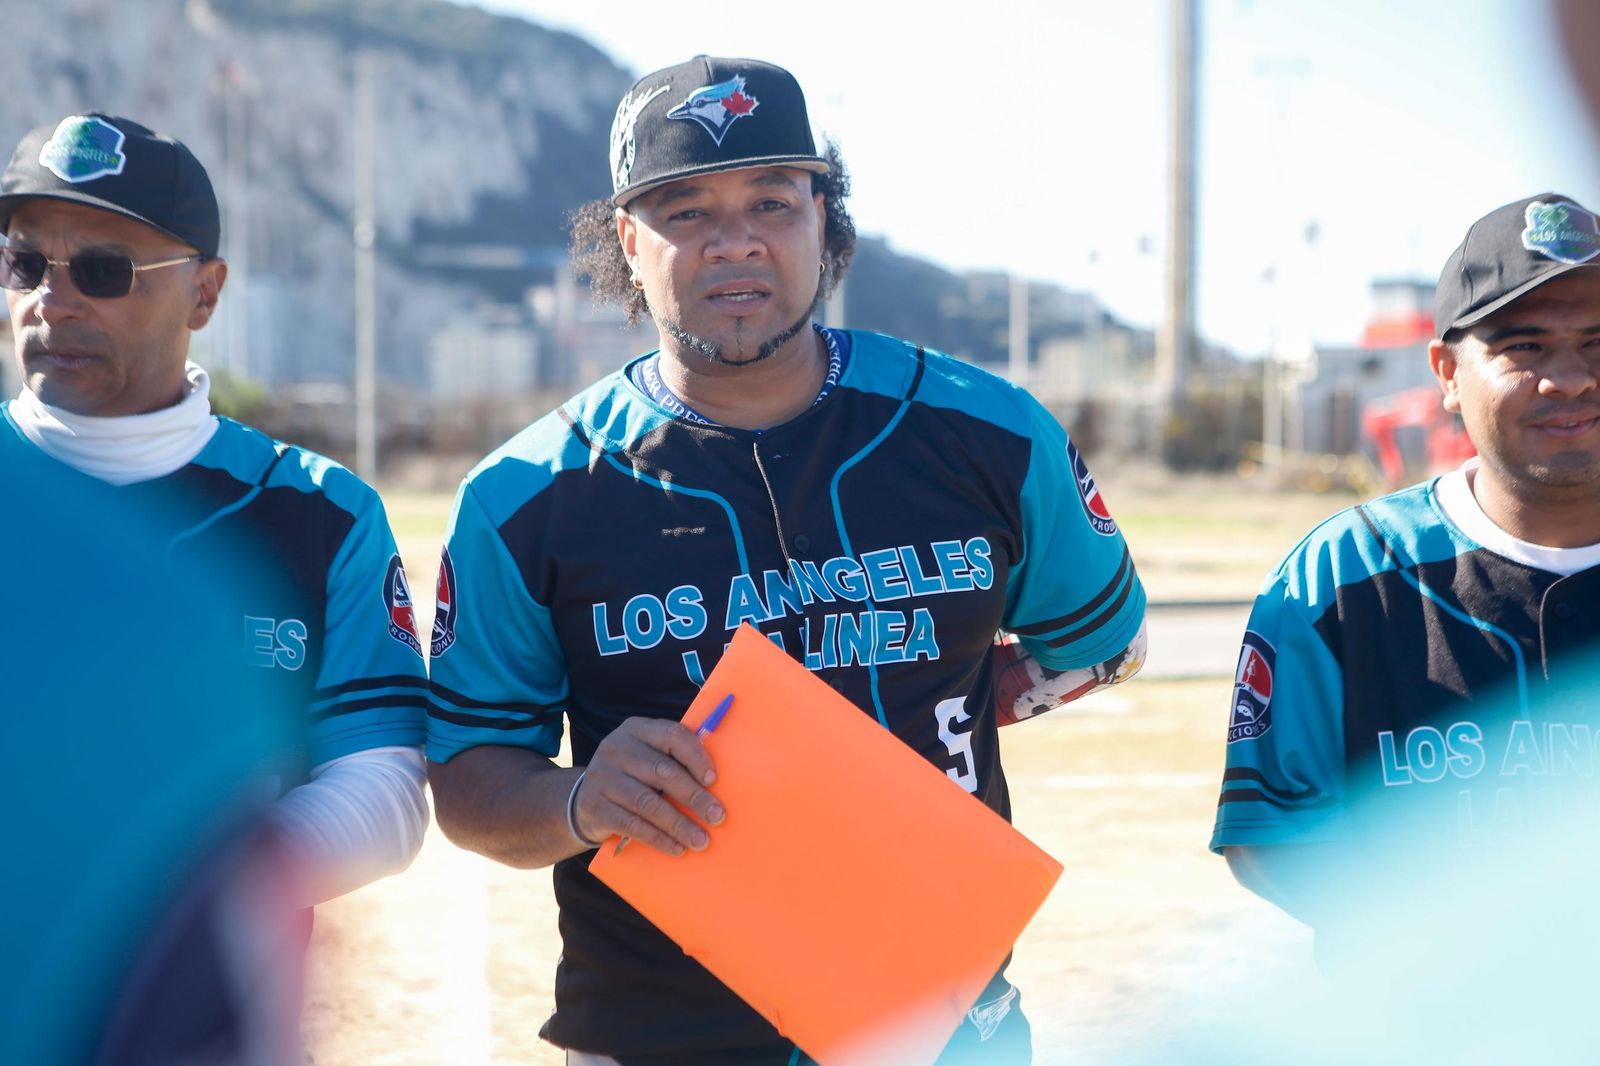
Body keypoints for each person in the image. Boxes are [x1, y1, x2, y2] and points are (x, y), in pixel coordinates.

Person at [426, 56, 1147, 1065]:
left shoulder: (993, 434)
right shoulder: (523, 499)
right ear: (628, 243)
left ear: (826, 222)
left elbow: (1104, 642)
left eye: (772, 199)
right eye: (685, 211)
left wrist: (946, 713)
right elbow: (465, 780)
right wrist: (580, 797)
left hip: (947, 1032)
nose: (736, 242)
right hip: (656, 1036)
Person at [0, 113, 430, 1050]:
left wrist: (160, 883)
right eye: (26, 264)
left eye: (103, 269)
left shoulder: (320, 512)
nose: (52, 301)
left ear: (204, 293)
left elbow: (388, 791)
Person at [1210, 193, 1600, 1045]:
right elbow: (1274, 835)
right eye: (1524, 345)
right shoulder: (1341, 576)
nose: (1570, 377)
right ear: (1447, 374)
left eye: (1596, 345)